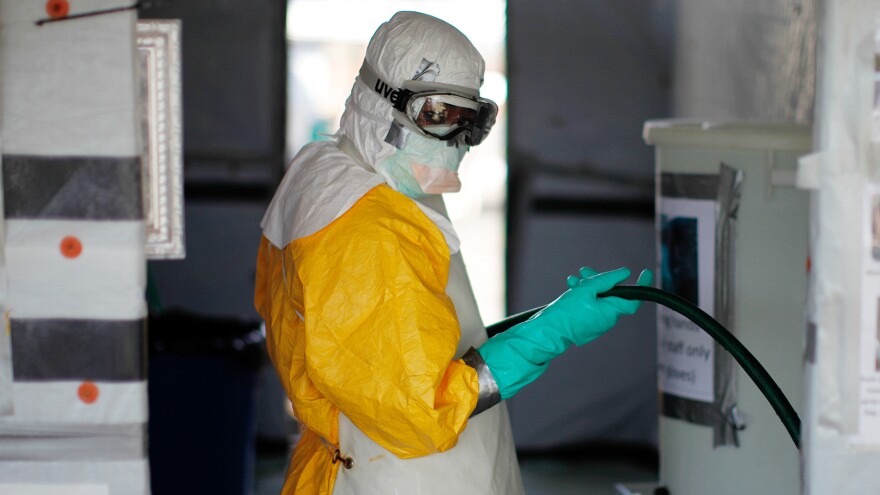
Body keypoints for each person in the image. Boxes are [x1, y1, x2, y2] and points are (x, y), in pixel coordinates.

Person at [254, 11, 651, 495]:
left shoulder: (337, 171)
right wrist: (550, 334)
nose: (456, 141)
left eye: (471, 120)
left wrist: (541, 320)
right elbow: (418, 412)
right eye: (438, 116)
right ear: (381, 101)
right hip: (390, 478)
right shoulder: (363, 229)